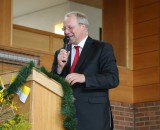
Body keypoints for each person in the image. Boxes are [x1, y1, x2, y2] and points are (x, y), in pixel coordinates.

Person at [51, 11, 119, 130]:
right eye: (64, 28)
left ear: (83, 27)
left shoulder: (102, 48)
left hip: (93, 117)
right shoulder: (60, 53)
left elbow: (112, 79)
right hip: (65, 119)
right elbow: (52, 84)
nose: (66, 32)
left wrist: (84, 78)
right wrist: (59, 69)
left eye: (70, 27)